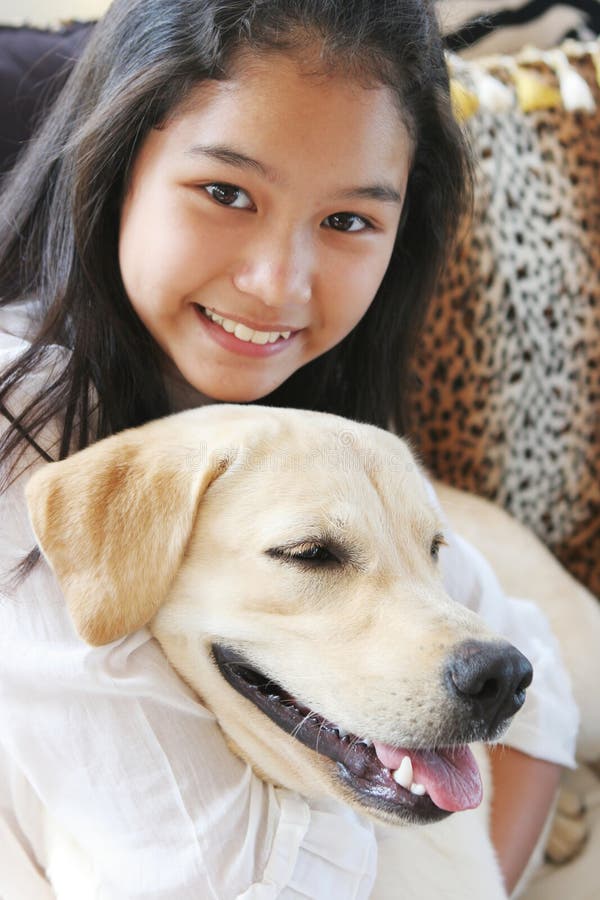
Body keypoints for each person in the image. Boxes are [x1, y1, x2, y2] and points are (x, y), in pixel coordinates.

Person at [0, 1, 578, 897]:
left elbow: (530, 694)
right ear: (113, 166)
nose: (279, 283)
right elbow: (209, 876)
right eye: (227, 192)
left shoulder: (333, 442)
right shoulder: (18, 424)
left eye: (349, 221)